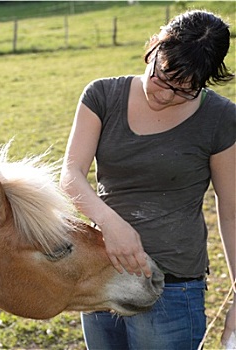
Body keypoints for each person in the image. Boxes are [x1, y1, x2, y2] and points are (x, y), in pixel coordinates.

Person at [60, 10, 235, 350]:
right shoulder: (102, 96)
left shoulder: (221, 118)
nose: (166, 95)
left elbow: (230, 211)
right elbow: (71, 174)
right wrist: (112, 226)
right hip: (102, 275)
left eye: (185, 89)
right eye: (163, 76)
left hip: (172, 288)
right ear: (154, 48)